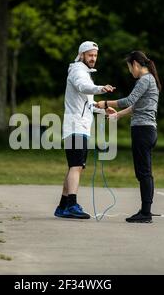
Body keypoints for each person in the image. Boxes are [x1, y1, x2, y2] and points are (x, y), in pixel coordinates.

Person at [95, 50, 162, 223]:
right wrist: (117, 115)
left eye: (129, 68)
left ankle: (145, 213)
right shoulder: (150, 80)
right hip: (148, 130)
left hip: (142, 131)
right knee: (145, 172)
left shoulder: (144, 79)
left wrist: (105, 103)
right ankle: (146, 210)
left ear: (135, 64)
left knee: (144, 173)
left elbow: (129, 100)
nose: (130, 72)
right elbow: (135, 107)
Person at [54, 41, 116, 219]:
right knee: (76, 166)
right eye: (90, 55)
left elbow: (87, 104)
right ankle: (72, 205)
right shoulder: (77, 71)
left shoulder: (85, 73)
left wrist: (102, 109)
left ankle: (62, 206)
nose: (93, 58)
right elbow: (82, 86)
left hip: (80, 126)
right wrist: (100, 89)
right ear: (81, 55)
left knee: (75, 166)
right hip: (75, 126)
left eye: (95, 55)